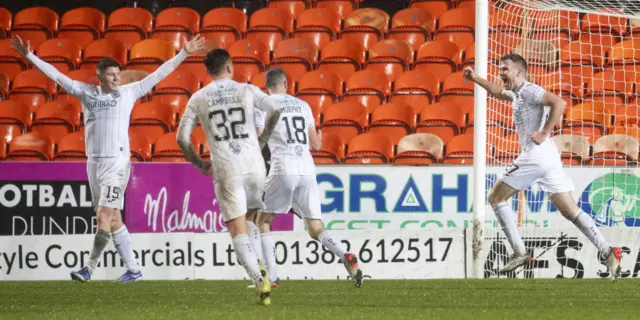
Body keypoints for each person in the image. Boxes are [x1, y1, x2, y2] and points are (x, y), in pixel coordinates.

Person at [10, 34, 205, 283]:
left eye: (118, 74)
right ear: (99, 75)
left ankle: (88, 269)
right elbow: (57, 76)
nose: (116, 78)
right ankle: (134, 271)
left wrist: (184, 53)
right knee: (113, 220)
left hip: (117, 163)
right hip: (94, 164)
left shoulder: (128, 92)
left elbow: (157, 75)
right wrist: (29, 56)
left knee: (102, 215)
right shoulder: (87, 93)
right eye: (111, 74)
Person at [463, 53, 623, 281]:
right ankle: (609, 252)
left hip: (536, 155)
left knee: (495, 197)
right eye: (500, 69)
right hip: (549, 157)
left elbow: (560, 102)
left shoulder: (528, 90)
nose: (501, 73)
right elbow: (497, 92)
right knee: (569, 211)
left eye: (505, 69)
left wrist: (544, 131)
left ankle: (519, 252)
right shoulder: (518, 94)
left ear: (519, 72)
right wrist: (476, 77)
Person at [176, 48, 281, 305]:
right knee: (252, 218)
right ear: (230, 66)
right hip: (255, 165)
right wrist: (263, 139)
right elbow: (275, 109)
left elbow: (181, 137)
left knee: (236, 227)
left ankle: (259, 279)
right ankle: (264, 267)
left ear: (209, 71)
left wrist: (199, 162)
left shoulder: (198, 97)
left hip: (226, 167)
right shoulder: (246, 89)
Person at [254, 68, 364, 288]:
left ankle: (272, 277)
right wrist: (318, 139)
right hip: (306, 169)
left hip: (282, 167)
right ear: (286, 84)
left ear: (267, 86)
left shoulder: (262, 105)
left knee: (262, 221)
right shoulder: (303, 105)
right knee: (315, 227)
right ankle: (345, 253)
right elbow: (316, 145)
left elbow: (260, 142)